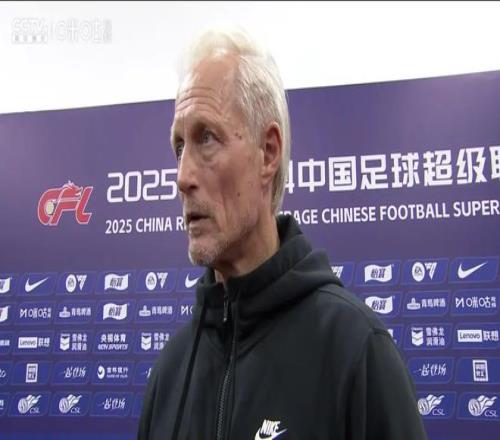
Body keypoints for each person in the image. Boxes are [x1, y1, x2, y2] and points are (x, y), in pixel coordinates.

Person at [138, 27, 427, 440]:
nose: (182, 178)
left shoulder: (355, 349)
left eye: (207, 138)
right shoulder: (171, 370)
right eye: (179, 146)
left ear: (268, 152)